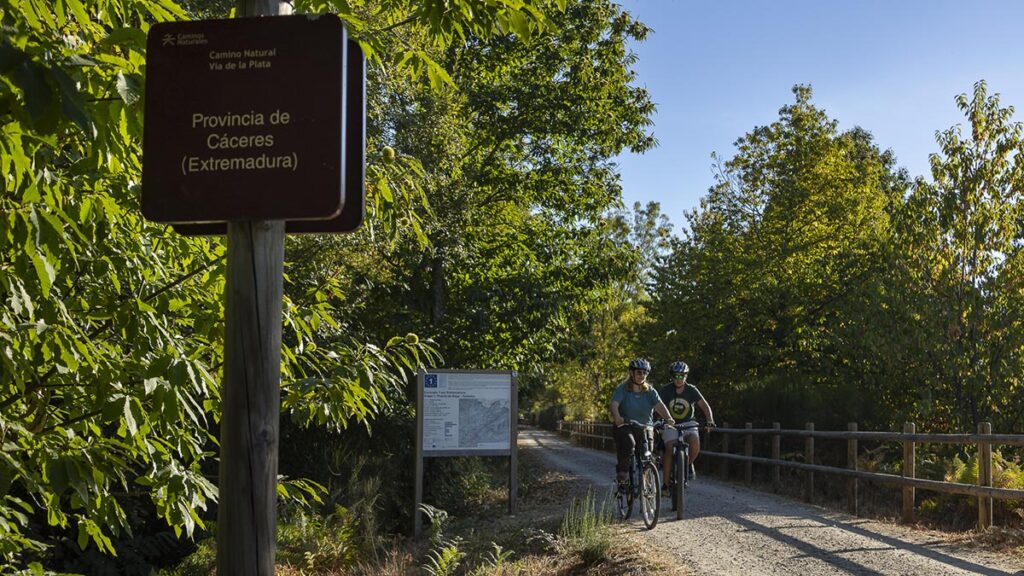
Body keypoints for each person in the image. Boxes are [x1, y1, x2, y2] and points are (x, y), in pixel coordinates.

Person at [610, 358, 675, 488]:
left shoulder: (650, 391)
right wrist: (617, 416)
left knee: (647, 454)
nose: (642, 376)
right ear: (632, 373)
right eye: (639, 372)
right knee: (629, 444)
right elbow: (614, 404)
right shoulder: (623, 389)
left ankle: (647, 481)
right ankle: (623, 474)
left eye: (644, 373)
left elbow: (659, 405)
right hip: (626, 426)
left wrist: (668, 418)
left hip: (645, 427)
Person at [658, 361, 715, 485]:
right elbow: (655, 406)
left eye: (682, 376)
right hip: (670, 424)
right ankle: (666, 485)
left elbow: (705, 406)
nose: (679, 379)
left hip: (688, 423)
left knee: (694, 440)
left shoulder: (691, 390)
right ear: (671, 377)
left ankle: (687, 464)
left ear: (686, 376)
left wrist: (710, 420)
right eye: (676, 376)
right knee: (669, 448)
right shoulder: (665, 390)